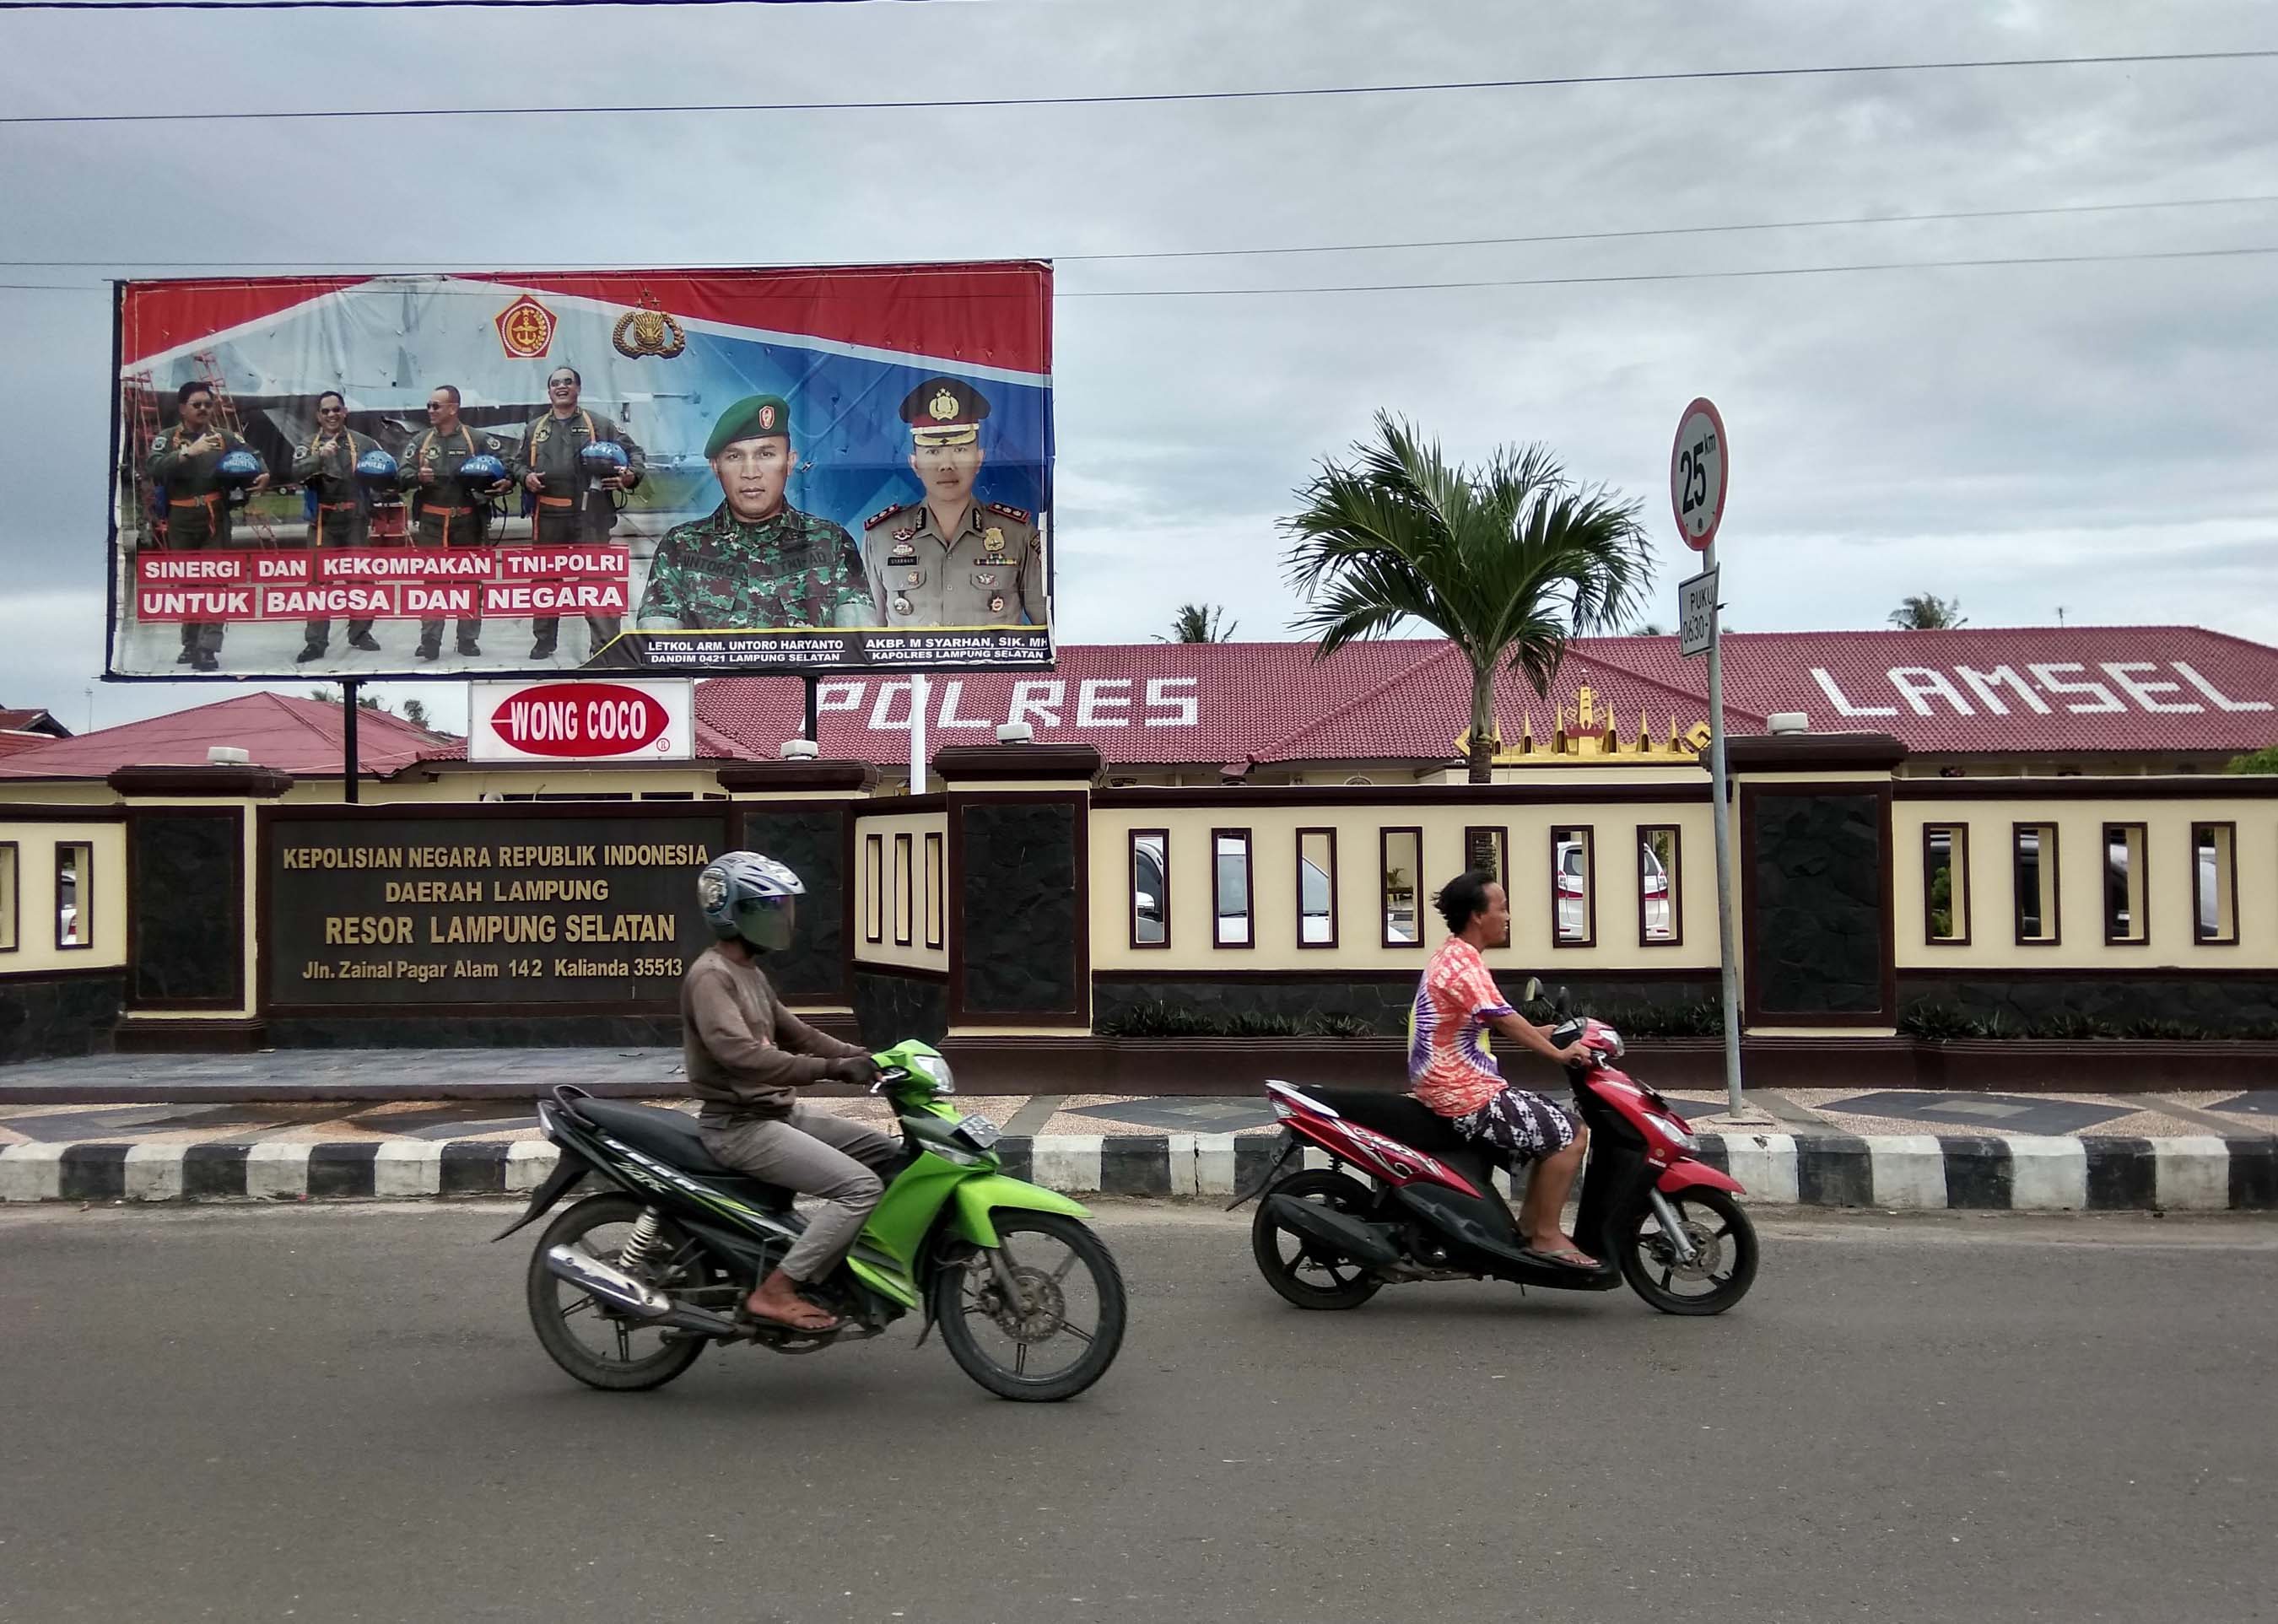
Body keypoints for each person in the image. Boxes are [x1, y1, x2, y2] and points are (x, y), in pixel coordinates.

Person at [684, 850, 900, 1332]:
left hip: (777, 1116)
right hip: (740, 1126)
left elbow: (799, 1034)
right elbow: (742, 1056)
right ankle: (776, 1291)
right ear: (735, 914)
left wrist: (868, 1058)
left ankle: (845, 1269)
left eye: (783, 907)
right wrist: (830, 1069)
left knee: (886, 1156)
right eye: (770, 908)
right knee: (859, 1187)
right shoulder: (711, 977)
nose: (782, 918)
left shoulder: (750, 973)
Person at [1409, 869, 1596, 1268]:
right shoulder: (1464, 966)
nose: (1508, 917)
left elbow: (1495, 1019)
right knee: (1572, 1133)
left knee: (1554, 1125)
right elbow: (1505, 1020)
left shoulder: (1455, 955)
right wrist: (1560, 1054)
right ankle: (1543, 1235)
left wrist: (1549, 1033)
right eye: (1503, 908)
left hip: (1456, 1086)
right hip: (1463, 1095)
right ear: (1479, 916)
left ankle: (1531, 1227)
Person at [634, 394, 870, 634]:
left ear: (789, 463)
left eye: (765, 454)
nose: (750, 472)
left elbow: (860, 651)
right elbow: (657, 651)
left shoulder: (830, 542)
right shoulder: (681, 547)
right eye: (734, 457)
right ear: (716, 467)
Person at [861, 375, 1042, 628]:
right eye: (933, 452)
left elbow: (1048, 628)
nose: (946, 465)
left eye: (959, 449)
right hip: (913, 668)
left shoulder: (1015, 533)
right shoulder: (881, 537)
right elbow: (870, 637)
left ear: (979, 458)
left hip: (992, 667)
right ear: (914, 463)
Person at [507, 364, 644, 661]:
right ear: (549, 391)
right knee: (545, 579)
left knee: (595, 579)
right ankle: (544, 641)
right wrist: (524, 477)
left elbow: (635, 454)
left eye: (568, 382)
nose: (562, 387)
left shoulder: (599, 424)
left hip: (590, 515)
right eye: (556, 383)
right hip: (548, 516)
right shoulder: (535, 429)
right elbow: (515, 464)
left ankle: (605, 644)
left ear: (578, 389)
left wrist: (629, 476)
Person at [148, 380, 267, 671]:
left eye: (208, 404)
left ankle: (208, 649)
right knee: (187, 585)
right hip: (181, 519)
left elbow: (255, 456)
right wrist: (189, 452)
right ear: (182, 408)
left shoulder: (224, 437)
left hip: (215, 518)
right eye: (196, 404)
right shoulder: (167, 439)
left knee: (215, 584)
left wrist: (263, 474)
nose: (203, 409)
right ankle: (190, 643)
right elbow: (153, 468)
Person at [399, 385, 512, 661]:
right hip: (432, 523)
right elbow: (400, 473)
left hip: (468, 522)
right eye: (428, 405)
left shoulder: (477, 439)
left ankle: (468, 639)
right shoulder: (422, 440)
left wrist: (504, 482)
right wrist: (417, 477)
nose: (430, 411)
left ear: (453, 408)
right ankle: (430, 640)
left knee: (470, 581)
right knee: (433, 583)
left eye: (436, 406)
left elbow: (508, 467)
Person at [289, 391, 385, 662]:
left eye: (336, 410)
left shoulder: (364, 443)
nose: (331, 415)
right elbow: (294, 472)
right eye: (326, 411)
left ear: (345, 412)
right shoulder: (308, 444)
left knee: (361, 579)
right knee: (319, 582)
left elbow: (386, 472)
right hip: (324, 522)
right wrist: (319, 457)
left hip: (355, 520)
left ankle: (361, 632)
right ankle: (316, 641)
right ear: (318, 416)